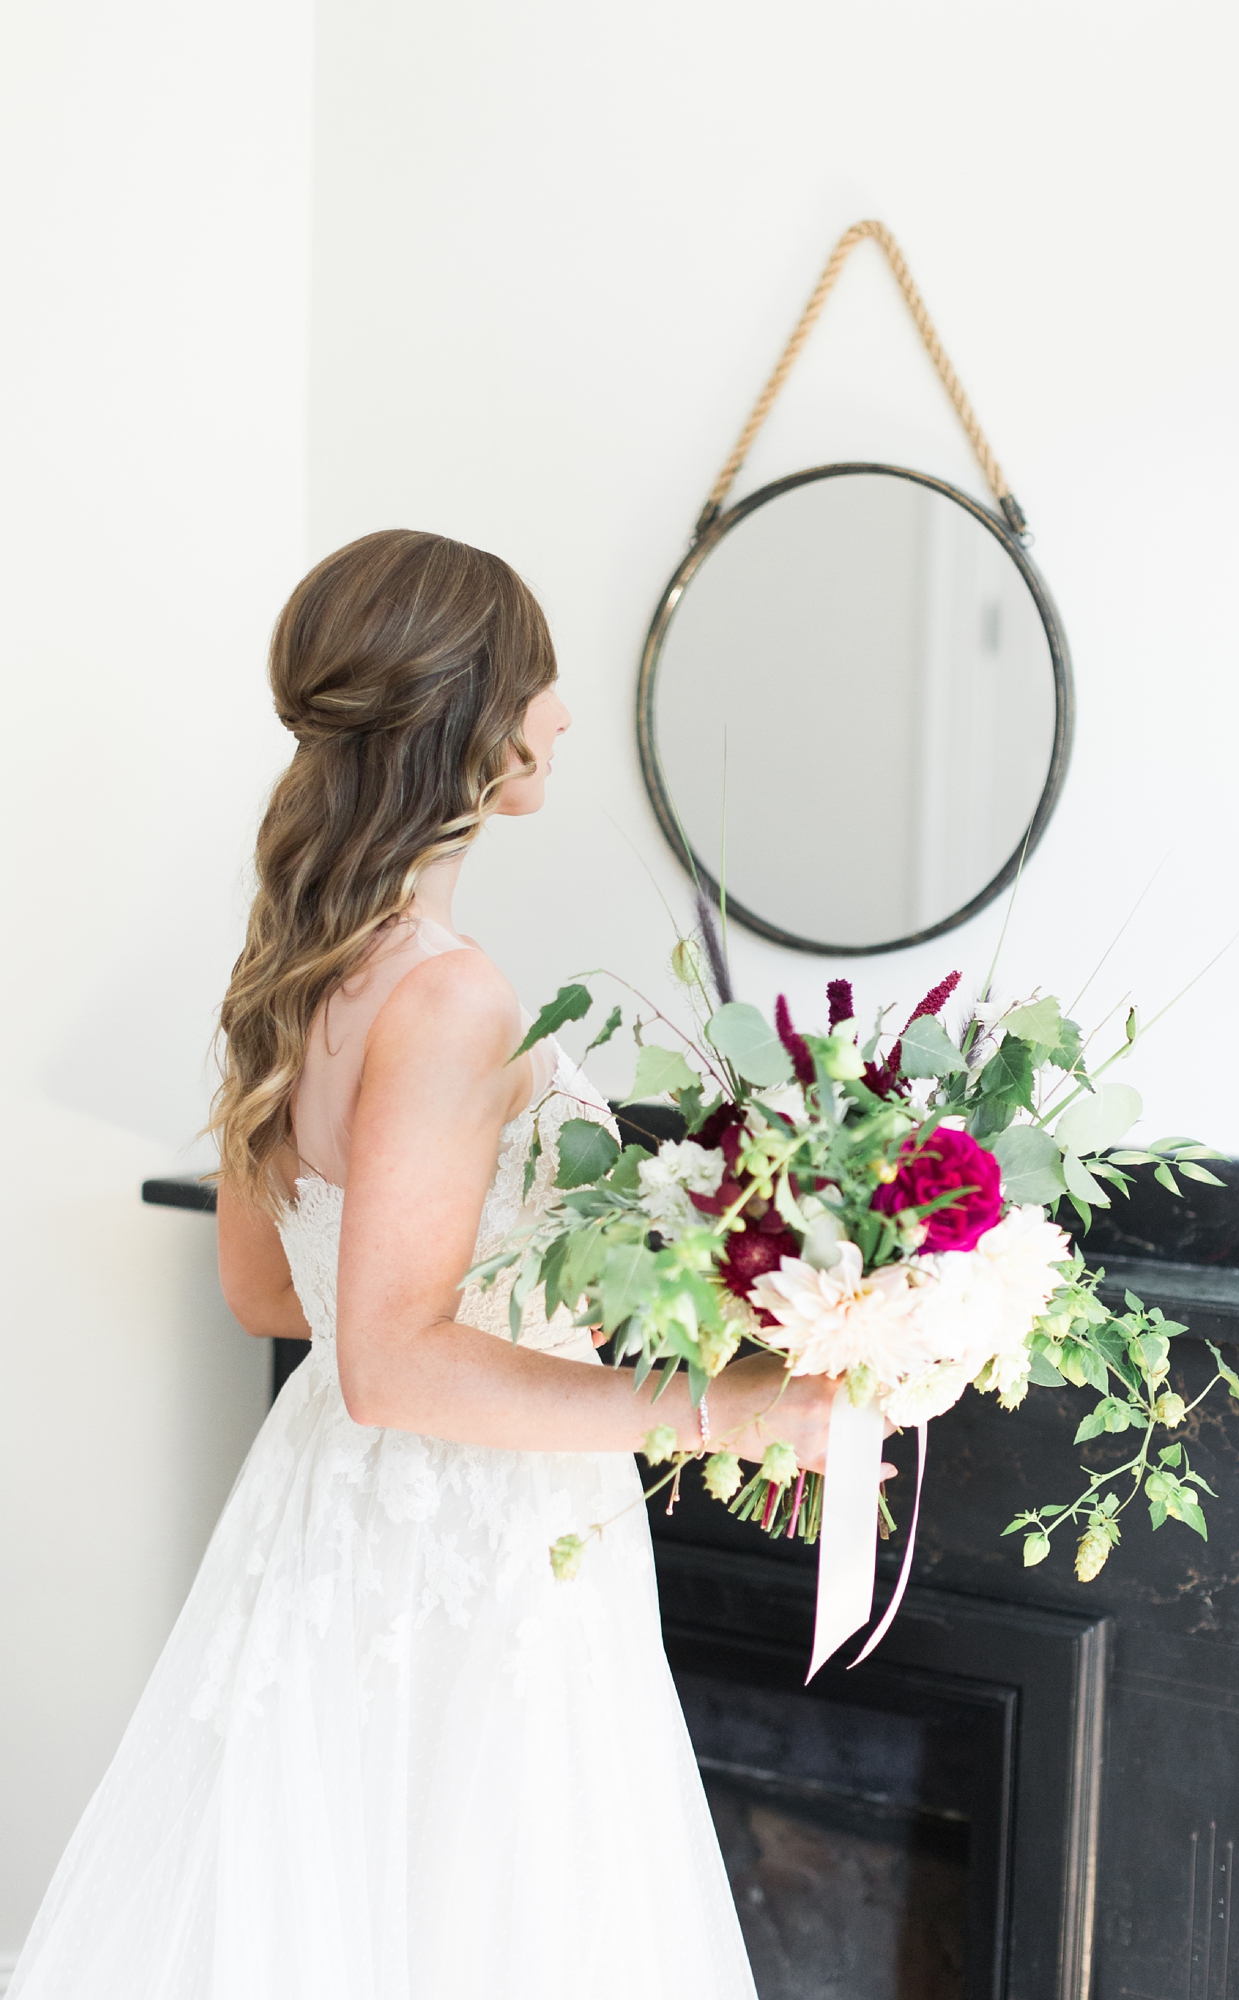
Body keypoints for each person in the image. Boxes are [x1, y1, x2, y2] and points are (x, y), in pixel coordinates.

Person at [10, 530, 851, 1999]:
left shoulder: (298, 965)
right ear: (468, 712)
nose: (565, 713)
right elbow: (394, 1361)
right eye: (537, 679)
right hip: (475, 1547)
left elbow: (276, 1299)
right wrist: (736, 1406)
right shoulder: (451, 996)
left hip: (329, 1521)